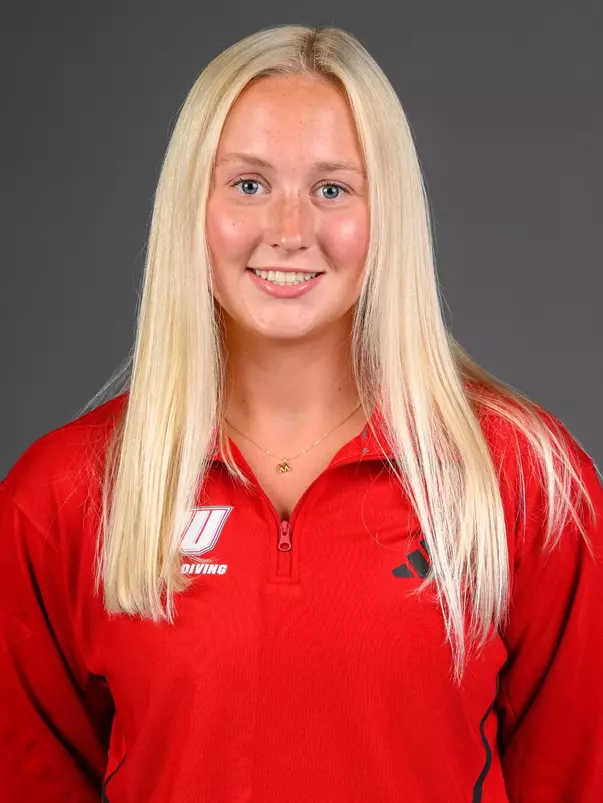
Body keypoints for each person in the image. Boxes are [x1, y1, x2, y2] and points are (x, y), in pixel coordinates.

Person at [1, 23, 602, 803]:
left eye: (331, 189)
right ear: (191, 206)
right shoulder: (62, 495)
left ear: (386, 213)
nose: (288, 232)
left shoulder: (524, 480)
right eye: (248, 185)